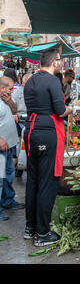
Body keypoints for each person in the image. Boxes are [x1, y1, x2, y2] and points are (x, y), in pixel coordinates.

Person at [23, 48, 73, 246]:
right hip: (47, 132)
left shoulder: (31, 80)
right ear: (54, 62)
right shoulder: (52, 80)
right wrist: (70, 109)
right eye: (59, 60)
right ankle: (43, 234)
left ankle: (31, 227)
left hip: (31, 132)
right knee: (47, 182)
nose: (60, 63)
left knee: (33, 181)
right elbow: (60, 111)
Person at [0, 76, 25, 222]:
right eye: (10, 89)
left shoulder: (5, 99)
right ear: (2, 88)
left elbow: (15, 109)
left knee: (9, 176)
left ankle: (8, 201)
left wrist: (9, 100)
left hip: (9, 146)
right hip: (1, 145)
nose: (12, 91)